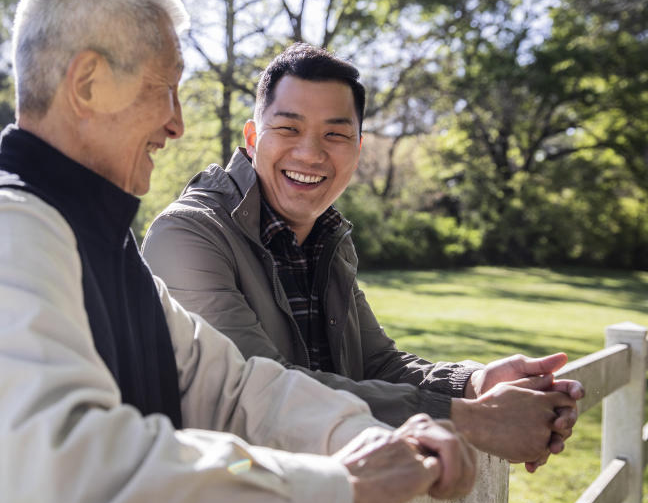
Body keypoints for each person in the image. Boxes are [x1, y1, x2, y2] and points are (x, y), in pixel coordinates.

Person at [0, 0, 477, 503]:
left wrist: (358, 436)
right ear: (87, 83)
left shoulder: (106, 248)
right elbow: (72, 467)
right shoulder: (2, 228)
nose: (177, 122)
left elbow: (235, 391)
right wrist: (333, 488)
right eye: (163, 88)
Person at [142, 42, 584, 476]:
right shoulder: (187, 235)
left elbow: (377, 365)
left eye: (335, 134)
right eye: (288, 128)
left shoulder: (325, 234)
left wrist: (472, 383)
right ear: (254, 138)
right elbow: (256, 394)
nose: (311, 153)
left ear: (357, 148)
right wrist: (473, 419)